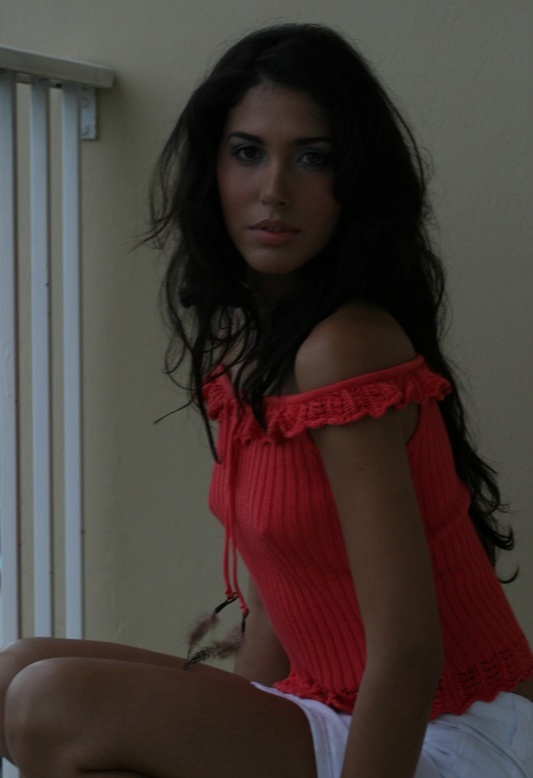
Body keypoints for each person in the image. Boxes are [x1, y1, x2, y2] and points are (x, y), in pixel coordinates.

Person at [0, 22, 532, 778]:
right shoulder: (254, 349)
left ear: (355, 181)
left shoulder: (342, 349)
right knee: (14, 669)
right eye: (247, 152)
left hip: (455, 732)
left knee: (49, 699)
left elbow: (410, 653)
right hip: (332, 707)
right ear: (212, 170)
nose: (274, 190)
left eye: (313, 158)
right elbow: (280, 594)